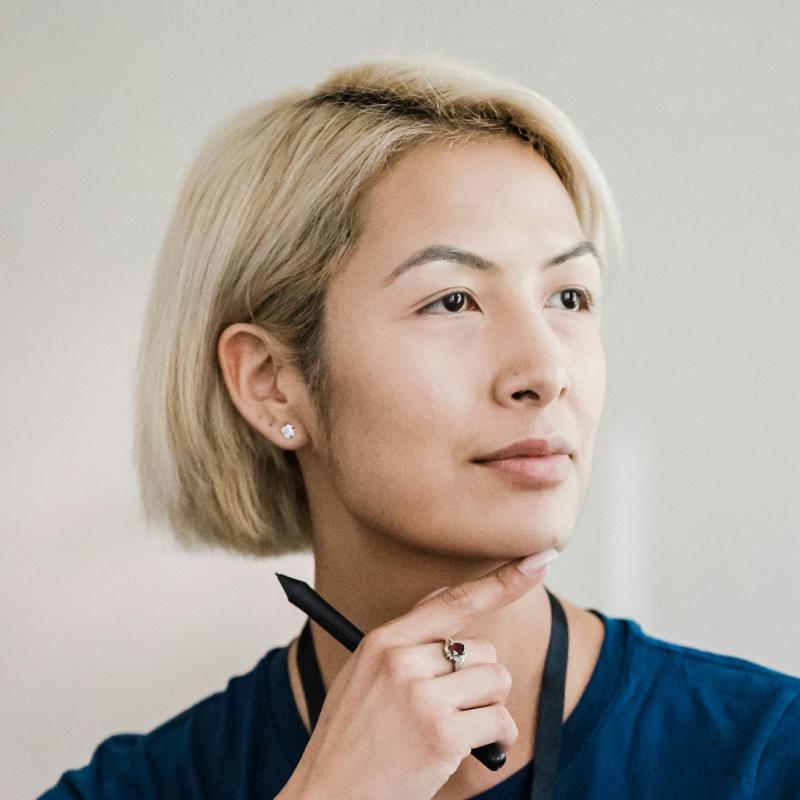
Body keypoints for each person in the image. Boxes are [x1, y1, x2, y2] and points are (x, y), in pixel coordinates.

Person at [39, 54, 799, 800]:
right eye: (453, 300)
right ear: (271, 383)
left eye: (569, 297)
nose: (545, 371)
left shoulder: (771, 757)